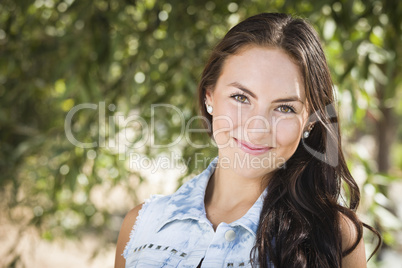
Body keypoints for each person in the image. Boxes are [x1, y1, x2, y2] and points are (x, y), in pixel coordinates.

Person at [115, 13, 381, 268]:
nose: (257, 129)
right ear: (210, 96)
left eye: (284, 108)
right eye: (241, 98)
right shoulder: (141, 225)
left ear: (311, 120)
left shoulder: (334, 236)